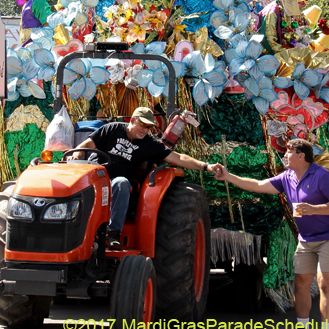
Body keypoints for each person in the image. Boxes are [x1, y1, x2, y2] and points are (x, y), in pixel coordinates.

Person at [213, 137, 329, 329]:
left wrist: (313, 209)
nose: (284, 155)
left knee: (325, 284)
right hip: (306, 239)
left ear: (301, 156)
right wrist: (228, 176)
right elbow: (256, 185)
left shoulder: (322, 175)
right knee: (300, 283)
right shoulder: (287, 177)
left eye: (288, 152)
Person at [74, 106, 220, 249]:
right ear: (132, 120)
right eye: (142, 124)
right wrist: (78, 153)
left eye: (148, 127)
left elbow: (179, 158)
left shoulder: (149, 143)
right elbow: (88, 144)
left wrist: (206, 166)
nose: (144, 130)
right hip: (95, 177)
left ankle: (112, 233)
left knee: (122, 183)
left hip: (116, 183)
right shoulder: (112, 129)